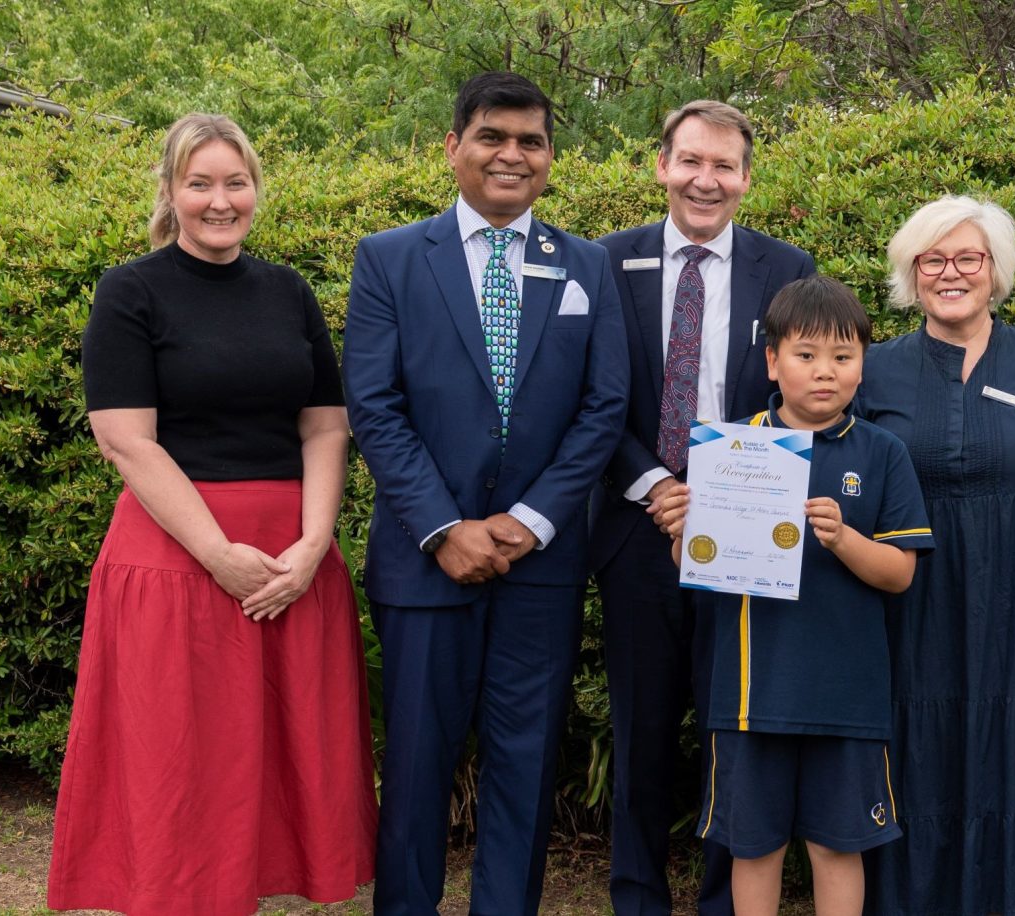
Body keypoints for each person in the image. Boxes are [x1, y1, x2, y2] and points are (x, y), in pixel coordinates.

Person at [49, 113, 377, 914]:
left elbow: (326, 425)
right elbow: (127, 443)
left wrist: (312, 545)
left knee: (272, 766)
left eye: (236, 182)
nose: (220, 201)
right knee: (182, 767)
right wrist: (218, 554)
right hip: (176, 558)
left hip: (290, 557)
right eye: (200, 183)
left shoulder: (288, 291)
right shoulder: (130, 291)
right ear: (170, 192)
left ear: (256, 191)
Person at [342, 71, 629, 915]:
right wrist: (443, 527)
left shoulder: (586, 265)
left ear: (549, 157)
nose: (512, 155)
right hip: (424, 565)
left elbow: (604, 406)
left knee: (524, 763)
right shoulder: (390, 258)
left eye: (531, 142)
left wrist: (528, 522)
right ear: (454, 147)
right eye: (493, 138)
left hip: (538, 567)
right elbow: (376, 407)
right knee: (420, 763)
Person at [857, 196, 1015, 915]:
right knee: (924, 738)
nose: (950, 272)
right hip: (918, 595)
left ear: (995, 269)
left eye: (967, 257)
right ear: (911, 273)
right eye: (932, 259)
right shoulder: (874, 370)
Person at [591, 99, 816, 916]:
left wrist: (719, 497)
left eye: (724, 165)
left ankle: (727, 901)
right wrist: (656, 486)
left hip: (749, 539)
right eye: (691, 161)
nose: (705, 179)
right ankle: (638, 899)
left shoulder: (789, 268)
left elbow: (802, 398)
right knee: (642, 735)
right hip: (636, 531)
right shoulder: (605, 263)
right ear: (661, 165)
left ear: (746, 179)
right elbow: (592, 400)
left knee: (736, 734)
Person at [655, 276, 935, 916]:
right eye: (806, 356)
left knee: (840, 848)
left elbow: (899, 574)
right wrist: (681, 531)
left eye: (844, 357)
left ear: (864, 364)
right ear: (773, 361)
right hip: (753, 696)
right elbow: (696, 565)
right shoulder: (732, 448)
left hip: (849, 698)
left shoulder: (883, 452)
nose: (825, 373)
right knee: (753, 849)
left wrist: (843, 538)